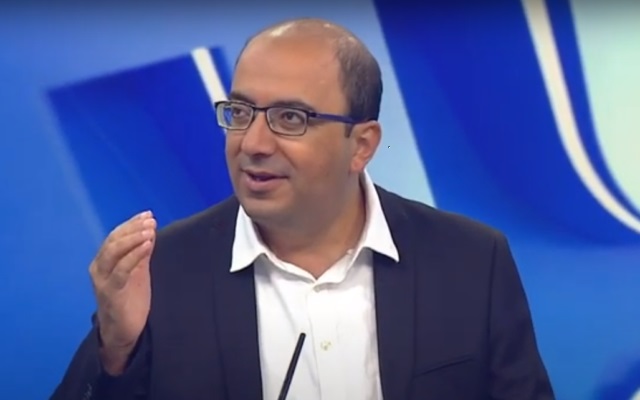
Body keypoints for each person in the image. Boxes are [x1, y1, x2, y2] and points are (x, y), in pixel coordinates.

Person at [50, 18, 555, 400]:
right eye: (241, 112)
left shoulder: (471, 260)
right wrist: (116, 352)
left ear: (361, 145)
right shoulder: (162, 270)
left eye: (290, 118)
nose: (253, 143)